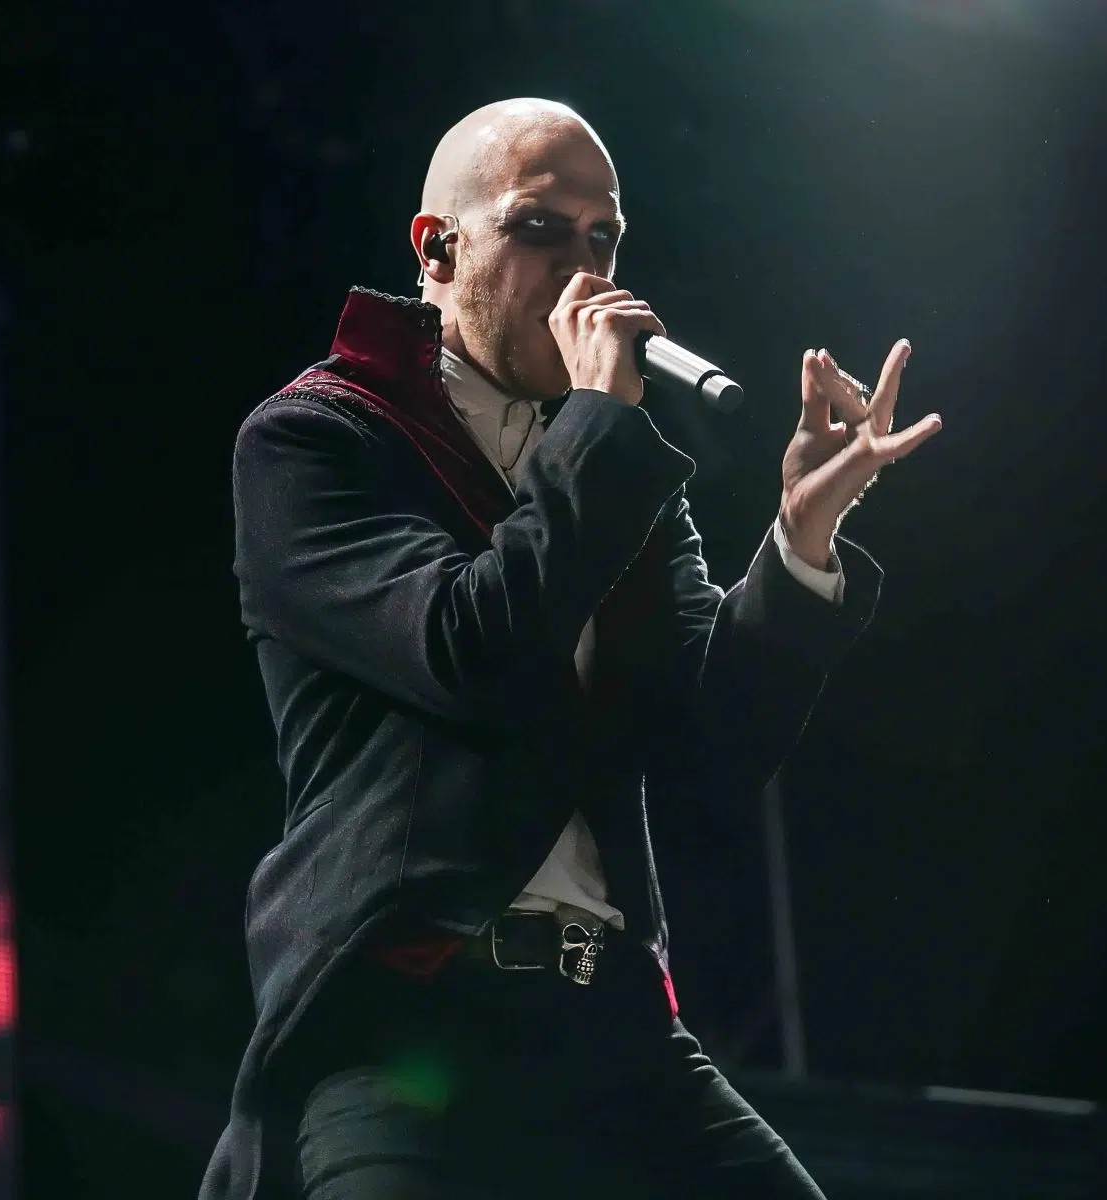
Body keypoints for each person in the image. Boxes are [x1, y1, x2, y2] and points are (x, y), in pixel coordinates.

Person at [199, 97, 942, 1200]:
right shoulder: (319, 438)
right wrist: (598, 423)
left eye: (605, 238)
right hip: (409, 1019)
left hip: (612, 1024)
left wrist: (799, 540)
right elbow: (469, 651)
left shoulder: (616, 470)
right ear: (438, 249)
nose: (584, 271)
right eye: (541, 229)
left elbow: (711, 751)